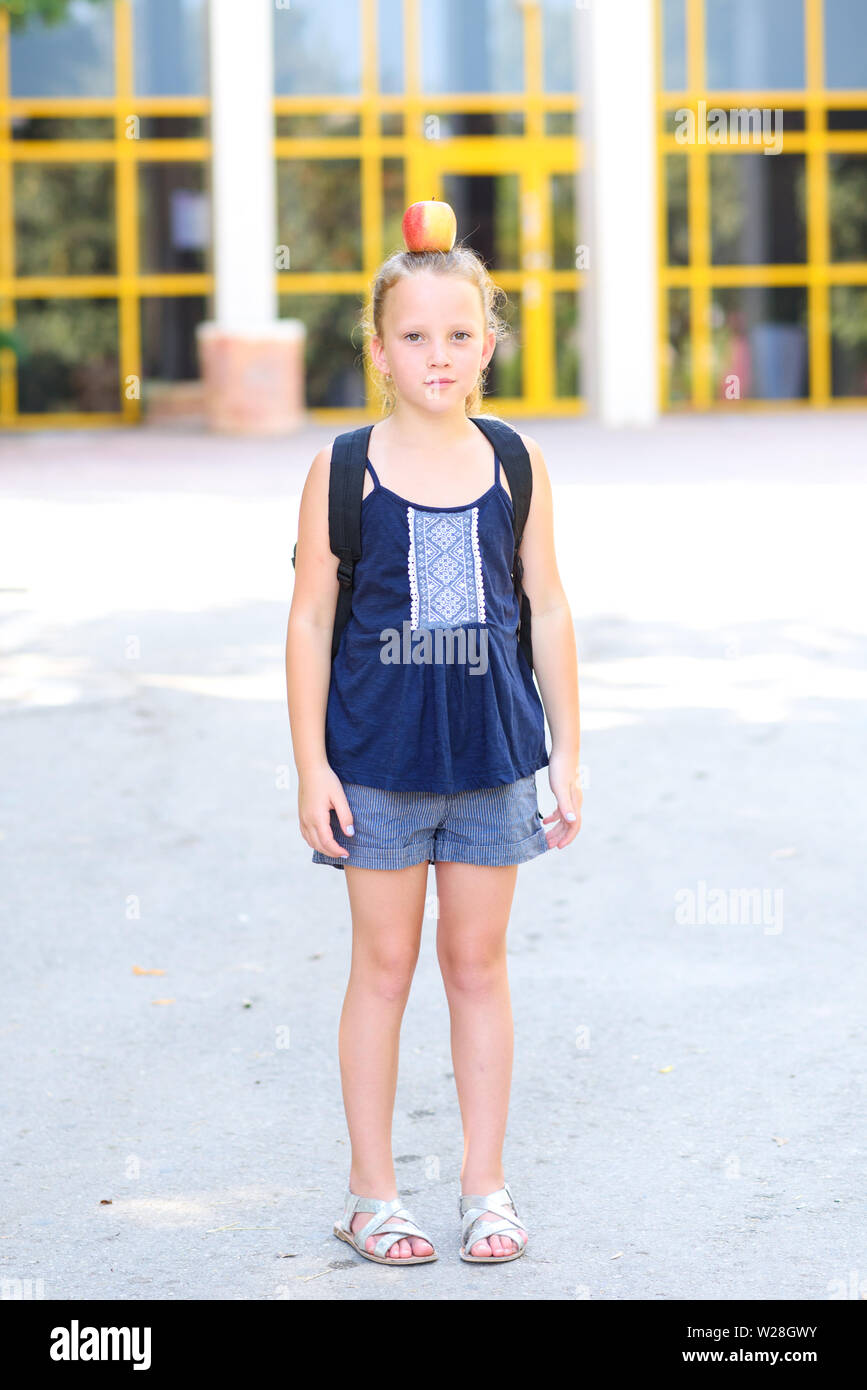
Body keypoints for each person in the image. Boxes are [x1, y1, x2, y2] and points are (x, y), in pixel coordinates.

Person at [285, 228, 581, 1266]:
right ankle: (371, 1194)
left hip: (495, 759)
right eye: (414, 336)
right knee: (382, 966)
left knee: (477, 963)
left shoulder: (514, 460)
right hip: (377, 765)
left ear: (488, 342)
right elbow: (311, 621)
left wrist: (568, 754)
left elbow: (545, 606)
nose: (438, 355)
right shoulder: (343, 469)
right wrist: (313, 766)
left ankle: (484, 1188)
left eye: (459, 333)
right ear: (378, 349)